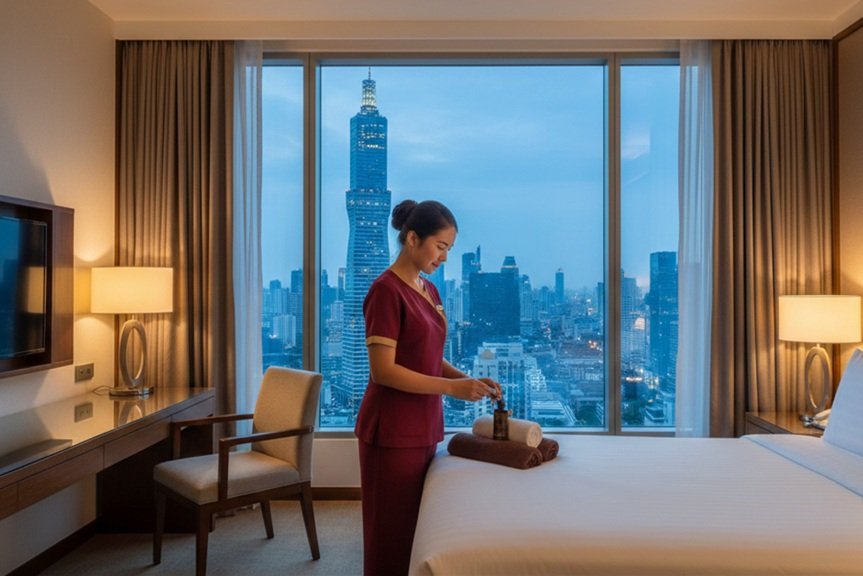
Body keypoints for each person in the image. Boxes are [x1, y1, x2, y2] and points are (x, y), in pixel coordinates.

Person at [355, 199, 502, 576]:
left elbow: (427, 358)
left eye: (449, 249)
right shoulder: (386, 292)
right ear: (412, 239)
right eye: (440, 247)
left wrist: (466, 379)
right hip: (391, 428)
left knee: (416, 527)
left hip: (422, 424)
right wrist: (451, 390)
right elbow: (383, 372)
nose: (445, 257)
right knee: (390, 531)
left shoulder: (429, 291)